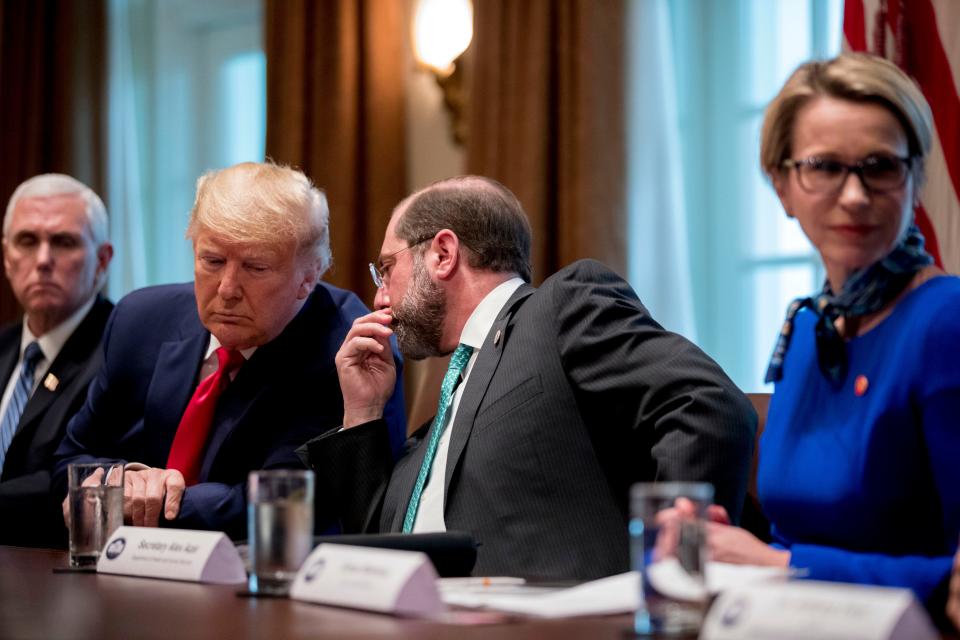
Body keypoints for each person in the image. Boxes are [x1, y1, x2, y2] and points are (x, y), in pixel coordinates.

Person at [298, 175, 756, 580]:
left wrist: (671, 567)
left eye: (387, 270)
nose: (379, 297)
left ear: (442, 253)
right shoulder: (440, 416)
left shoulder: (560, 309)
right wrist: (363, 411)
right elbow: (377, 546)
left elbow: (707, 402)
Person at [704, 53, 960, 610]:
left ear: (914, 179)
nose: (855, 195)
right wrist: (718, 542)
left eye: (881, 165)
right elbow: (796, 533)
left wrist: (778, 566)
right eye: (824, 166)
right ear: (782, 185)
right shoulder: (806, 330)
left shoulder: (947, 322)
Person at [54, 162, 406, 540]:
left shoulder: (345, 353)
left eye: (255, 267)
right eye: (213, 261)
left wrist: (139, 498)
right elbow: (68, 463)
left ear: (309, 276)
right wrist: (129, 478)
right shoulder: (140, 321)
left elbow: (279, 504)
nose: (226, 289)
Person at [0, 175, 114, 548]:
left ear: (102, 260)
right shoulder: (4, 347)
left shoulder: (121, 350)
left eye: (64, 242)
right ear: (6, 256)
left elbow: (71, 482)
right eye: (27, 241)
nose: (43, 260)